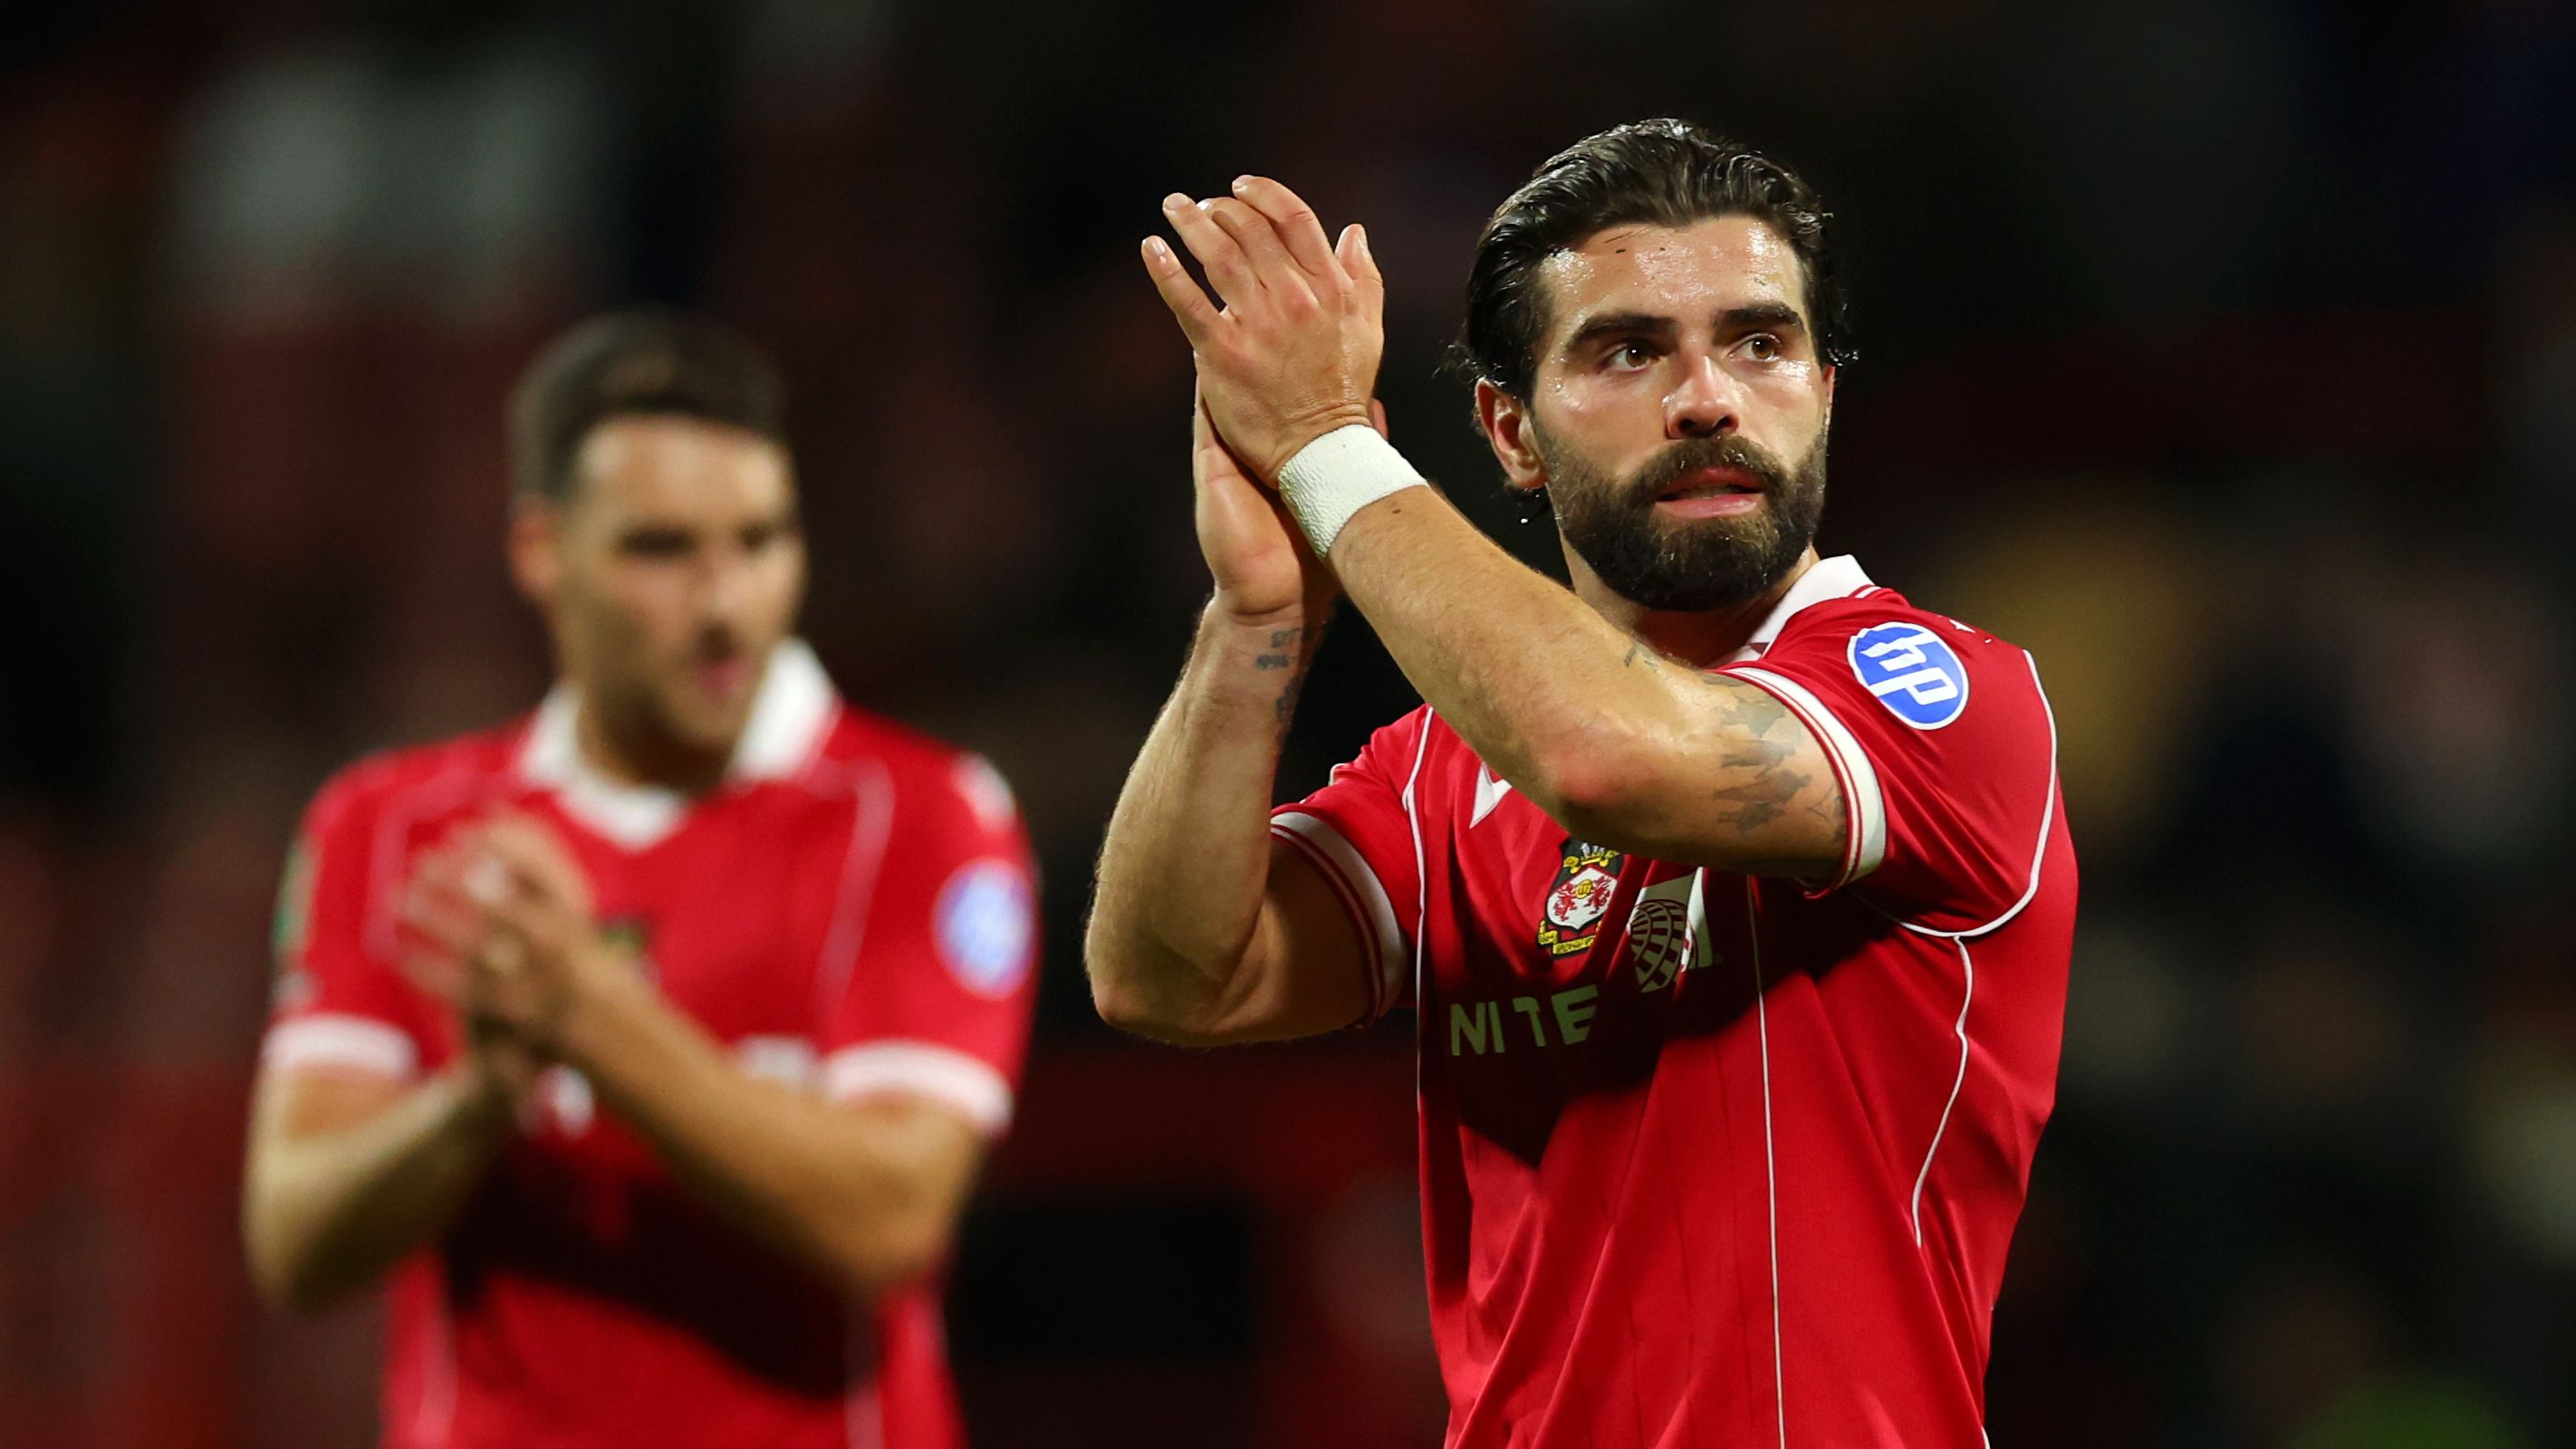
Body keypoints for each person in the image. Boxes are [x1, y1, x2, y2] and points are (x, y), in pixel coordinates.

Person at [1089, 119, 2075, 1447]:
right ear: (1509, 433)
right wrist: (1258, 615)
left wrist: (1328, 446)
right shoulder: (1446, 765)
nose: (1710, 397)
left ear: (1825, 394)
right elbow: (1169, 973)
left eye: (1761, 342)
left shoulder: (1941, 700)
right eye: (1628, 351)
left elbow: (1605, 755)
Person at [242, 312, 1038, 1449]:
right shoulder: (391, 825)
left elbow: (892, 1216)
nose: (727, 605)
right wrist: (474, 1104)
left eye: (762, 541)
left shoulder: (921, 817)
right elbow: (296, 1240)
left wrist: (590, 1014)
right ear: (539, 549)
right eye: (662, 549)